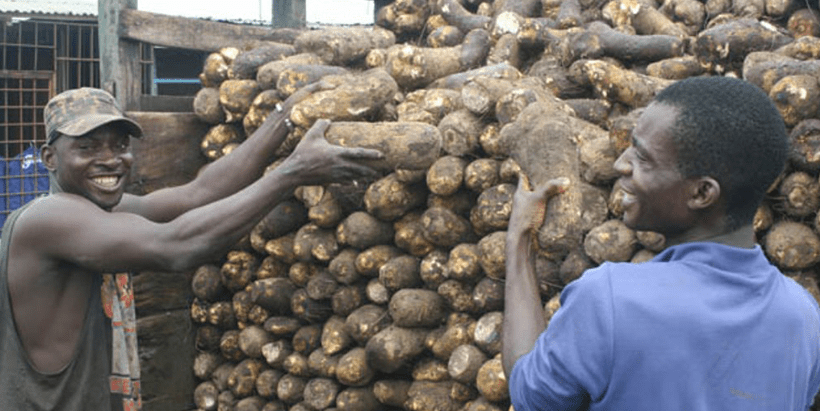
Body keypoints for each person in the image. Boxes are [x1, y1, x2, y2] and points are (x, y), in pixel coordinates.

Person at [0, 86, 382, 410]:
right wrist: (291, 174)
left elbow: (197, 194)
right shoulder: (49, 220)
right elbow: (177, 246)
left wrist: (283, 117)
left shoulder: (99, 210)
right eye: (87, 147)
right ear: (50, 158)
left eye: (120, 145)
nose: (111, 160)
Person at [503, 76, 820, 410]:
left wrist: (519, 238)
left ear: (701, 193)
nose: (620, 163)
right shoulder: (803, 317)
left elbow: (530, 396)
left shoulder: (610, 300)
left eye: (642, 158)